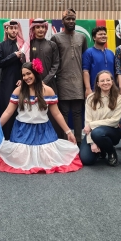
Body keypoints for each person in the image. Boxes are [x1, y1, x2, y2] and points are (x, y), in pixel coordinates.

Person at [0, 60, 82, 174]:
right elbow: (8, 112)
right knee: (19, 158)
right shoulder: (19, 90)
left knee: (49, 158)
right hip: (22, 131)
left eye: (29, 73)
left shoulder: (48, 91)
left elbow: (57, 113)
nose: (26, 77)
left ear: (36, 72)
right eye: (23, 75)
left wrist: (68, 132)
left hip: (43, 130)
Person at [51, 9, 87, 144]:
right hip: (62, 81)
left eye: (73, 19)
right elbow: (53, 61)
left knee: (78, 113)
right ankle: (64, 143)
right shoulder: (56, 38)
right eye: (68, 19)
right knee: (63, 112)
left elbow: (84, 61)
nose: (71, 21)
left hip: (78, 81)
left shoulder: (82, 37)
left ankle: (78, 143)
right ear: (63, 21)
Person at [80, 71, 121, 167]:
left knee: (98, 133)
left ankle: (111, 151)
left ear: (112, 82)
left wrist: (92, 125)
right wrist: (92, 143)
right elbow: (87, 121)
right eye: (102, 81)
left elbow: (115, 121)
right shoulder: (90, 98)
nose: (105, 83)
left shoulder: (119, 98)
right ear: (98, 84)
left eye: (108, 80)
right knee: (86, 160)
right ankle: (101, 148)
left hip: (111, 132)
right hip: (93, 133)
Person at [29, 18, 61, 137]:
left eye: (43, 27)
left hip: (50, 84)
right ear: (34, 29)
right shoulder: (30, 44)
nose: (41, 29)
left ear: (46, 29)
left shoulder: (52, 44)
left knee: (52, 114)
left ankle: (55, 139)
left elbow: (56, 64)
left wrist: (45, 81)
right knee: (35, 113)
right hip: (32, 85)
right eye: (38, 27)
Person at [0, 20, 25, 140]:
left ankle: (20, 137)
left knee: (21, 110)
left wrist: (22, 79)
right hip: (6, 83)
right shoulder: (0, 46)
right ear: (6, 30)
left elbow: (27, 65)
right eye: (11, 28)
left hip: (22, 83)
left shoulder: (23, 45)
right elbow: (0, 63)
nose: (13, 30)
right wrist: (14, 55)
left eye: (15, 28)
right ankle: (6, 138)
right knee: (7, 109)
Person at [82, 26, 115, 98]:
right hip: (95, 90)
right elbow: (85, 71)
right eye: (100, 34)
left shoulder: (111, 53)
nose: (103, 36)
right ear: (94, 38)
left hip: (111, 91)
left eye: (104, 34)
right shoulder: (88, 52)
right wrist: (88, 89)